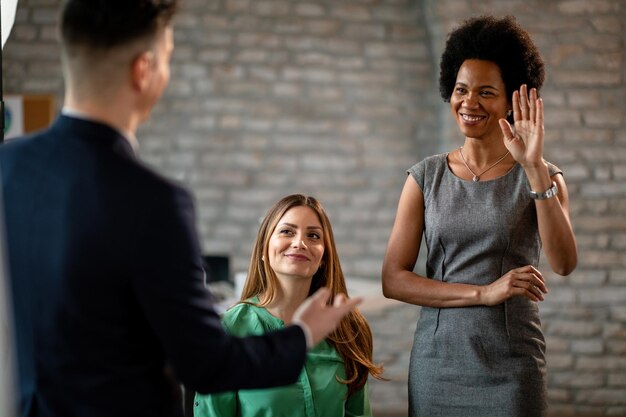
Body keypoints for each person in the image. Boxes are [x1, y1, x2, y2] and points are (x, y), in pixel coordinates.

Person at [0, 2, 361, 416]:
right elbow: (206, 363)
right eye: (167, 60)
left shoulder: (7, 168)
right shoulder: (154, 201)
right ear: (143, 70)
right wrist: (301, 334)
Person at [381, 15, 577, 417]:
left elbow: (564, 262)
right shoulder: (425, 178)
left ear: (513, 100)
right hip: (438, 365)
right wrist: (482, 293)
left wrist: (534, 165)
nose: (469, 103)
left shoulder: (543, 174)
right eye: (461, 89)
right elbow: (393, 280)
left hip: (513, 364)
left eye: (486, 92)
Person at [195, 194, 384, 417]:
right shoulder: (229, 330)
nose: (300, 243)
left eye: (313, 235)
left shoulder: (348, 328)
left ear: (323, 257)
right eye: (287, 231)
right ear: (264, 249)